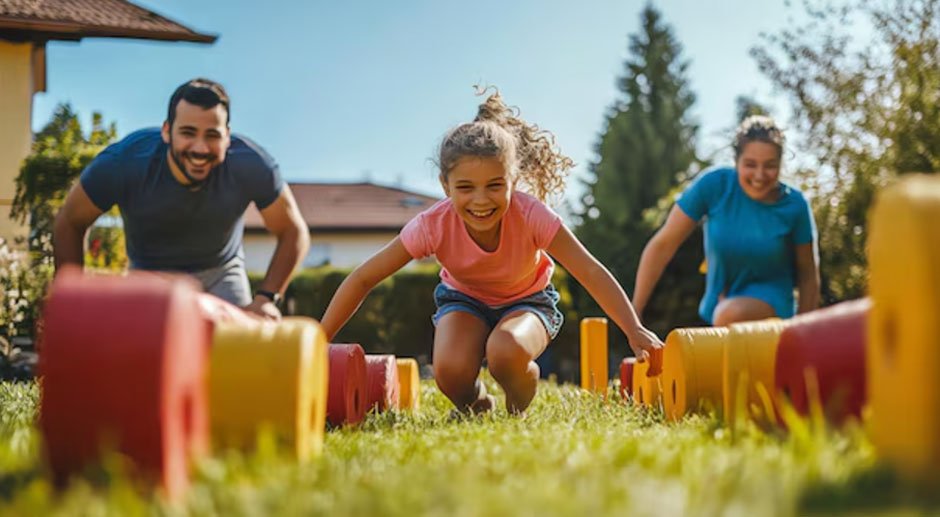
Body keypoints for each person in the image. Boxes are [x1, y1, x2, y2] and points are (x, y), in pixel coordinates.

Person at [320, 91, 662, 415]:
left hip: (529, 302)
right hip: (463, 301)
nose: (481, 201)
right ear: (445, 186)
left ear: (513, 180)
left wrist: (633, 328)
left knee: (505, 350)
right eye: (465, 188)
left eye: (495, 186)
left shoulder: (532, 216)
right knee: (450, 372)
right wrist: (318, 340)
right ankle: (478, 405)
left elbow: (589, 270)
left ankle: (518, 404)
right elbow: (365, 277)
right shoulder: (432, 224)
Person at [53, 78, 309, 320]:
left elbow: (293, 231)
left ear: (227, 136)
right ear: (167, 131)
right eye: (188, 133)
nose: (200, 148)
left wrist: (266, 298)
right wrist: (71, 300)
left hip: (221, 272)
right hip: (150, 275)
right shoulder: (123, 163)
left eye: (212, 135)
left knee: (236, 358)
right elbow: (70, 221)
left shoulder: (253, 165)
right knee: (144, 359)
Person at [632, 115, 820, 326]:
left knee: (730, 314)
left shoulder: (794, 205)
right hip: (716, 311)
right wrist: (634, 314)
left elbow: (808, 274)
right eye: (750, 164)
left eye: (770, 166)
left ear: (781, 164)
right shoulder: (715, 186)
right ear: (736, 161)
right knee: (724, 316)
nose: (759, 175)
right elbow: (663, 245)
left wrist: (803, 332)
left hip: (772, 310)